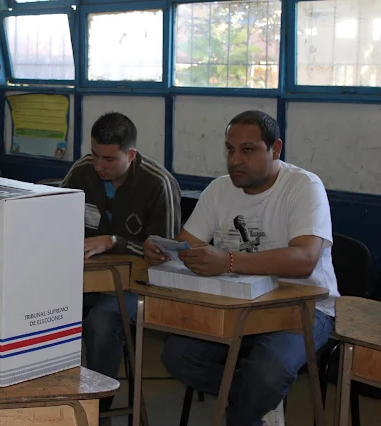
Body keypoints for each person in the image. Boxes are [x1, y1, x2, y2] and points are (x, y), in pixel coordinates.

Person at [144, 110, 339, 426]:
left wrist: (229, 261)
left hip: (304, 307)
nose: (235, 160)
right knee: (178, 357)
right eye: (230, 150)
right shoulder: (220, 189)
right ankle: (260, 400)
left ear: (275, 149)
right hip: (236, 305)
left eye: (247, 150)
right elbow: (187, 245)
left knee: (270, 371)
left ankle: (250, 406)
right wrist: (165, 252)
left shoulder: (304, 186)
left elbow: (304, 260)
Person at [60, 111, 182, 414]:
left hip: (137, 288)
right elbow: (53, 219)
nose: (98, 166)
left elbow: (166, 256)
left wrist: (115, 242)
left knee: (101, 324)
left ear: (131, 155)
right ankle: (52, 403)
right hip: (85, 282)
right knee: (44, 312)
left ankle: (96, 412)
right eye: (94, 155)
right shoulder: (82, 172)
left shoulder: (159, 184)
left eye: (109, 159)